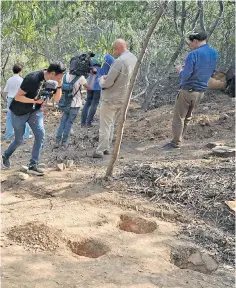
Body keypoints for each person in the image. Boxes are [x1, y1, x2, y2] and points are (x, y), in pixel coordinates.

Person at [2, 62, 66, 175]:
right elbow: (18, 97)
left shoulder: (54, 82)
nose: (60, 79)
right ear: (52, 74)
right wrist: (34, 101)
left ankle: (33, 164)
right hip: (19, 112)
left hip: (34, 112)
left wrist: (59, 85)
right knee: (19, 140)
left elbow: (56, 99)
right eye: (59, 77)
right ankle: (6, 155)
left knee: (40, 134)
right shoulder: (32, 78)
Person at [163, 31, 218, 150]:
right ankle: (179, 139)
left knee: (179, 117)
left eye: (190, 43)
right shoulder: (214, 53)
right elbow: (213, 72)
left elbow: (186, 75)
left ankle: (175, 143)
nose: (190, 46)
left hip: (188, 90)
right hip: (201, 91)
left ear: (195, 41)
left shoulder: (193, 54)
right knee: (188, 117)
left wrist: (179, 70)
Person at [93, 39, 137, 158]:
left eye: (114, 48)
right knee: (112, 124)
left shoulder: (119, 61)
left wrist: (101, 80)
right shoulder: (133, 58)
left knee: (105, 125)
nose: (114, 51)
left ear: (117, 48)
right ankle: (106, 147)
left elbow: (108, 83)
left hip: (111, 98)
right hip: (124, 97)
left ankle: (100, 150)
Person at [55, 67, 97, 147]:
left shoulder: (65, 75)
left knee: (63, 122)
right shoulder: (80, 78)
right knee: (69, 123)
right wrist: (93, 75)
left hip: (66, 103)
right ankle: (64, 142)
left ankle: (57, 140)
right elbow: (89, 87)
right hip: (75, 104)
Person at [81, 54, 115, 127]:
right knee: (95, 103)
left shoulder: (96, 57)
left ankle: (83, 122)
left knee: (88, 102)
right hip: (99, 85)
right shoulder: (110, 58)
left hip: (90, 83)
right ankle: (88, 122)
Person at [2, 64, 31, 142]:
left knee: (9, 117)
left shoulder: (9, 80)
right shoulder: (22, 80)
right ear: (20, 71)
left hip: (10, 99)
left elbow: (4, 92)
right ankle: (26, 135)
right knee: (24, 116)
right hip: (19, 100)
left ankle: (8, 135)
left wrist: (6, 99)